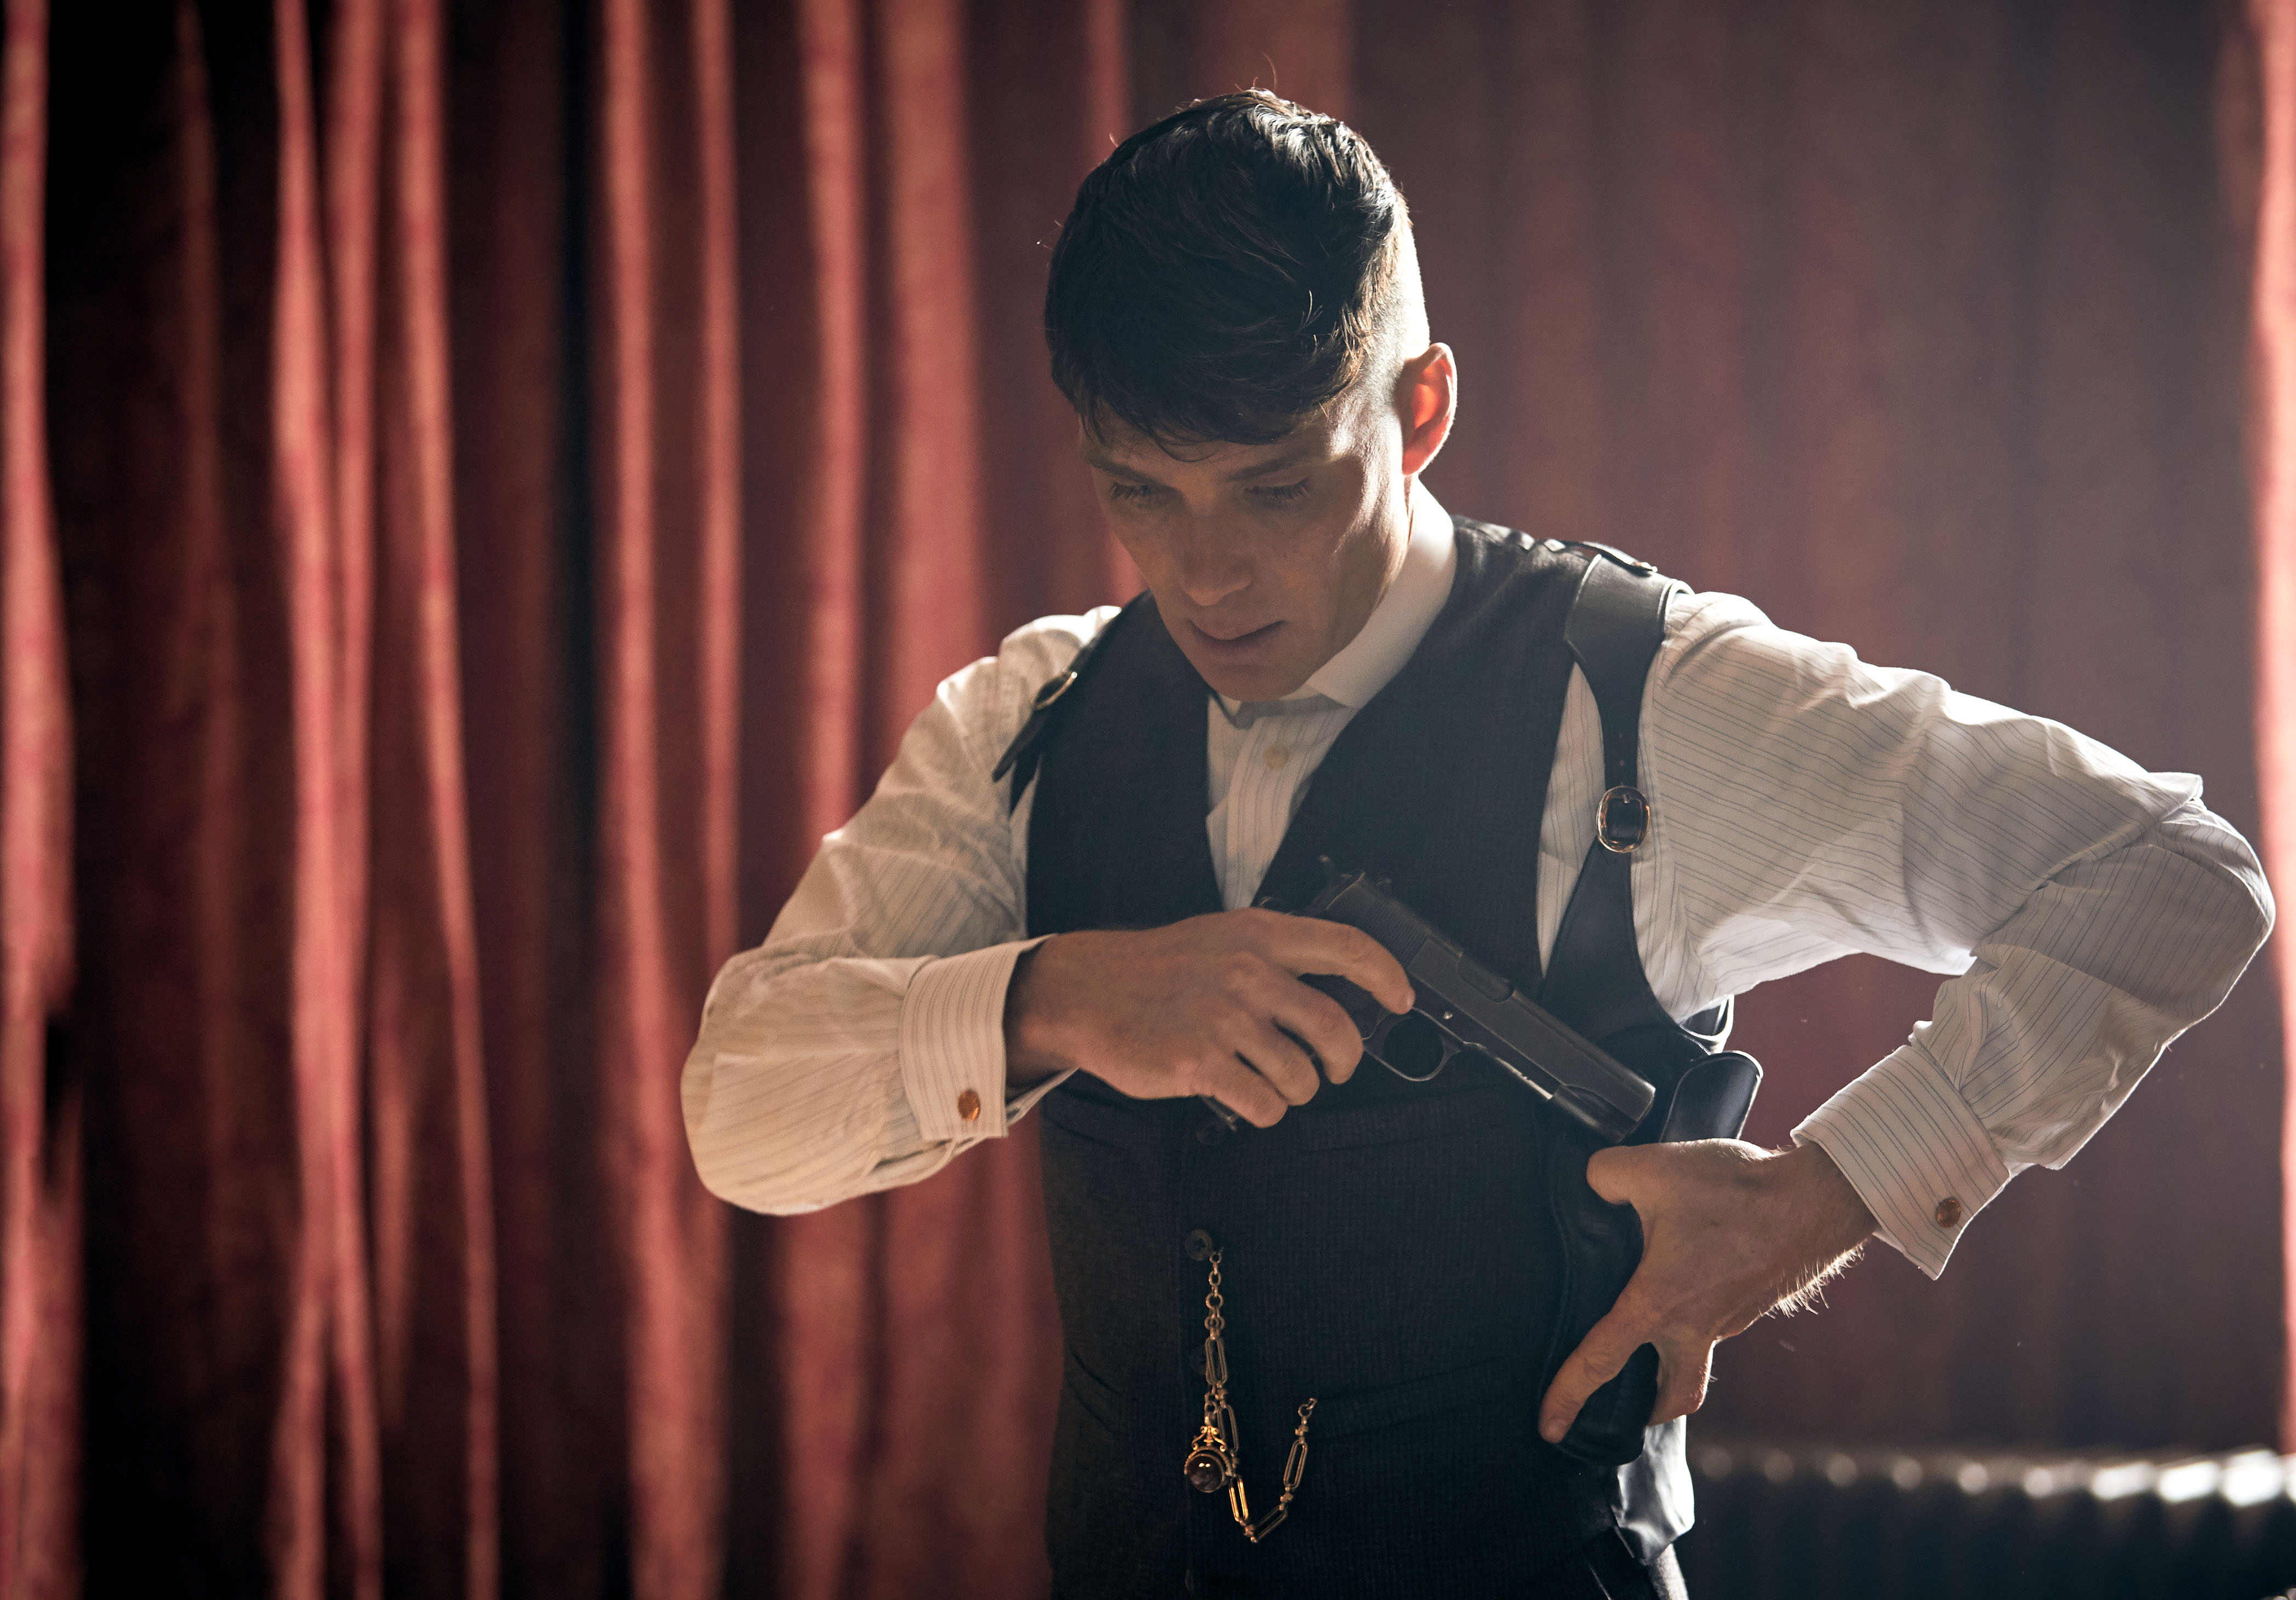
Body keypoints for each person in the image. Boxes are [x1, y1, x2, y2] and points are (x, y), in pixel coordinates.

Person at [682, 92, 2272, 1598]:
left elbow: (2165, 872)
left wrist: (1833, 1191)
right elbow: (739, 1112)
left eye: (1276, 489)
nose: (1206, 575)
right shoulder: (1030, 719)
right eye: (1141, 494)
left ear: (1421, 409)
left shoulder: (1650, 706)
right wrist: (1056, 1001)